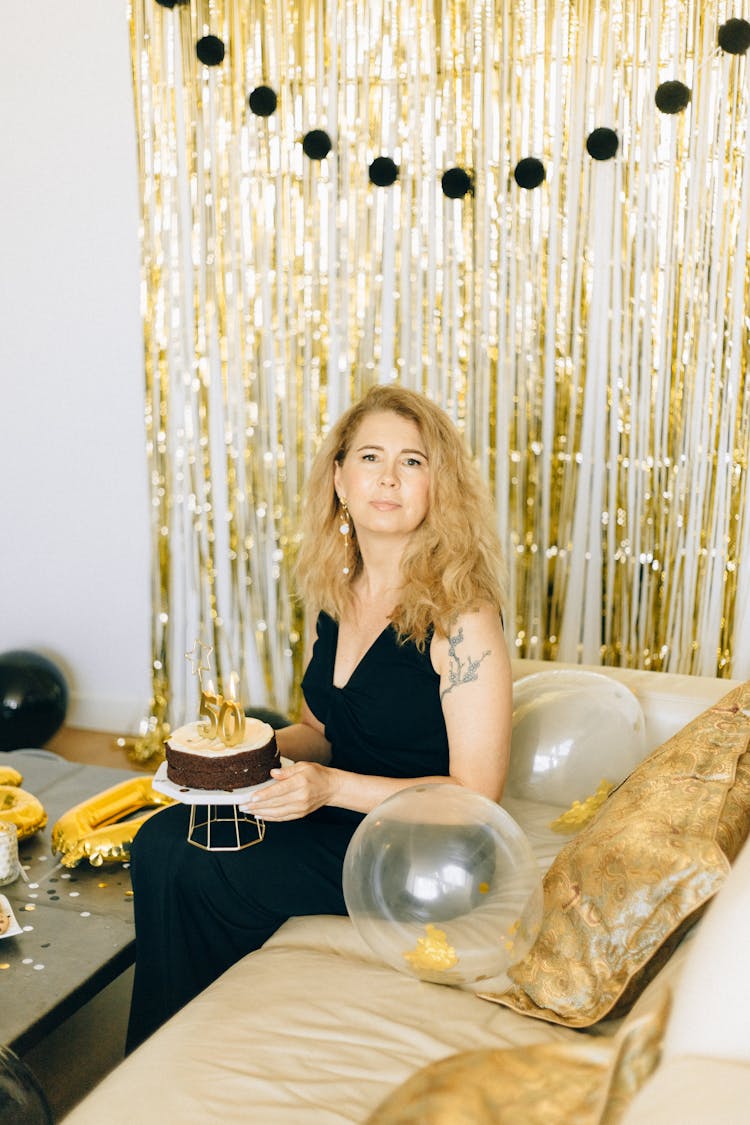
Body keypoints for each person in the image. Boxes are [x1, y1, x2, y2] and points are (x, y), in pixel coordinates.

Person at [125, 383, 512, 1051]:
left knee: (210, 865)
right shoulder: (334, 593)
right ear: (339, 477)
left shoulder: (462, 614)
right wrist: (231, 750)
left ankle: (205, 1045)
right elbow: (320, 734)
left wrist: (329, 789)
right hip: (345, 815)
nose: (388, 476)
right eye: (369, 456)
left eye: (413, 461)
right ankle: (167, 1049)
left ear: (437, 486)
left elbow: (478, 799)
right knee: (162, 839)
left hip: (426, 848)